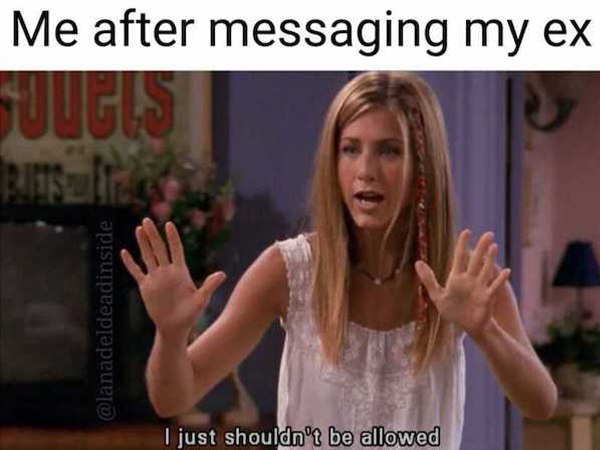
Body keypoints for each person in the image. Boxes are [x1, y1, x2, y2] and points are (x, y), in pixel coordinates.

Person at [120, 72, 557, 449]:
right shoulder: (288, 270)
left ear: (424, 167)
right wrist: (171, 335)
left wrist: (485, 332)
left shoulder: (462, 278)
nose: (366, 169)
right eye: (350, 149)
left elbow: (541, 402)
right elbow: (172, 398)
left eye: (389, 150)